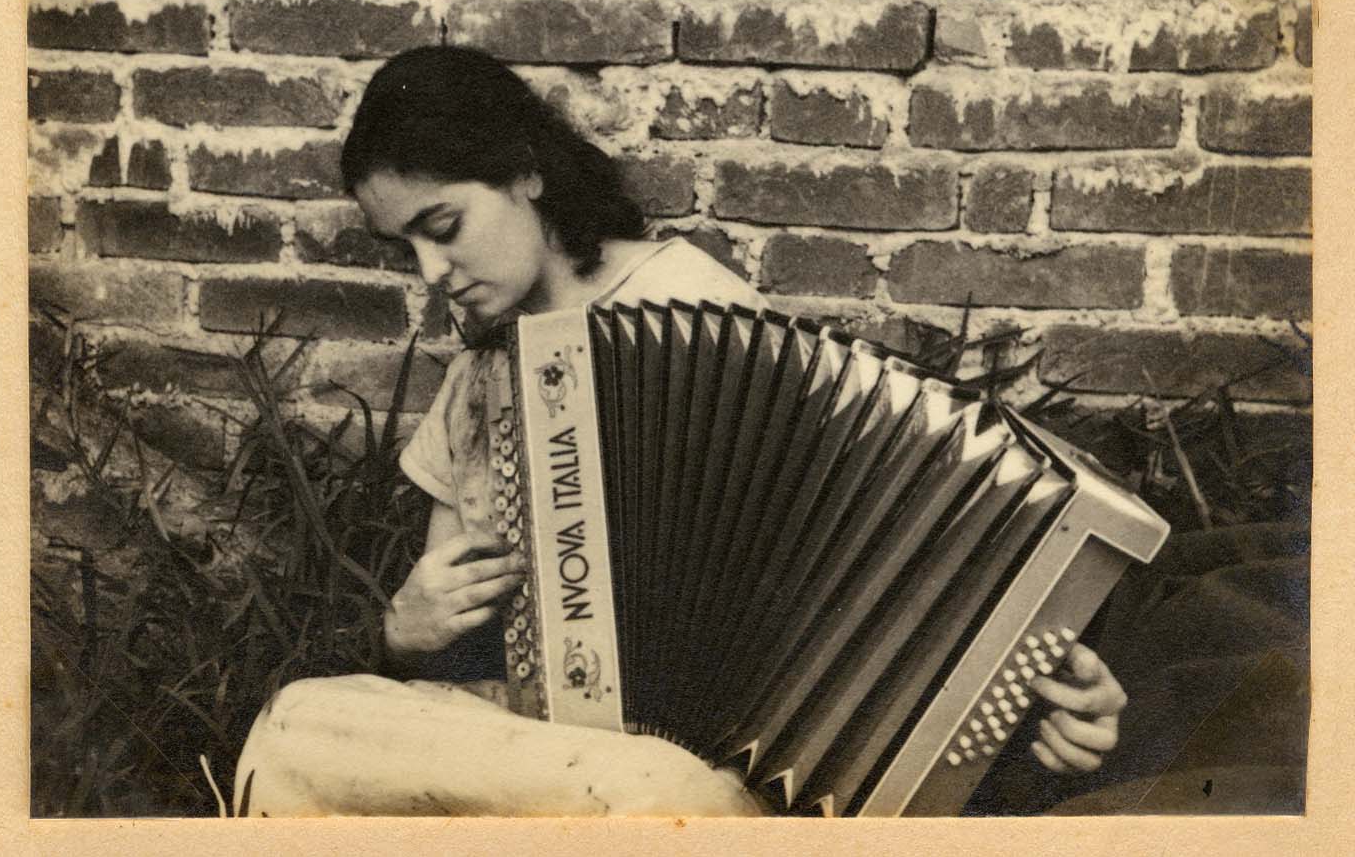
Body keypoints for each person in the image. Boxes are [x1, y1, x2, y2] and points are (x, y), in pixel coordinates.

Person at [232, 44, 1128, 817]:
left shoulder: (700, 316)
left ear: (525, 172)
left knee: (662, 793)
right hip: (536, 746)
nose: (431, 272)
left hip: (696, 763)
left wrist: (1031, 691)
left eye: (443, 227)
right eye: (406, 249)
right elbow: (451, 649)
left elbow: (869, 556)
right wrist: (401, 630)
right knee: (296, 722)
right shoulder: (479, 373)